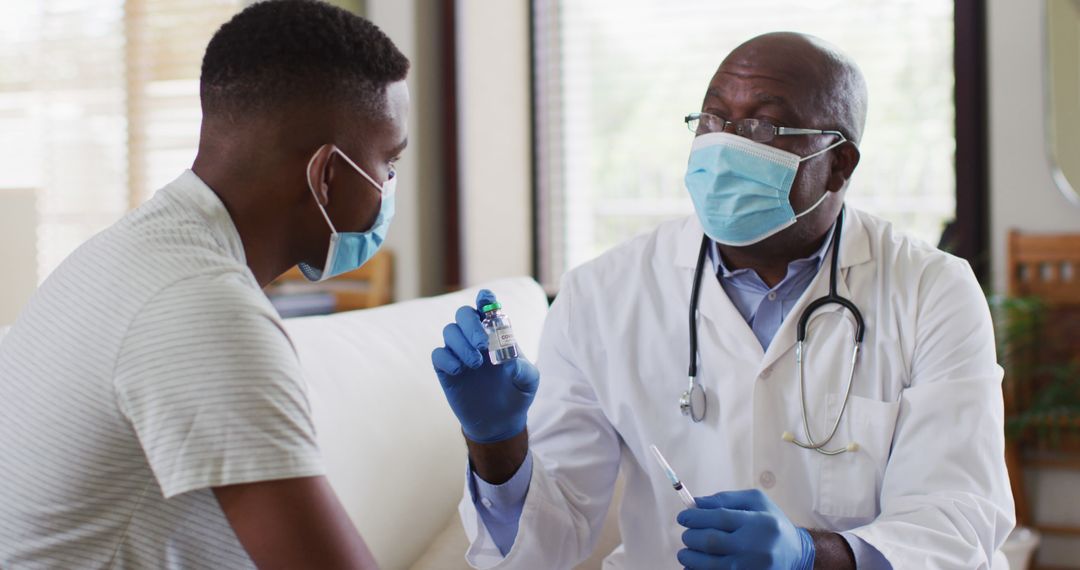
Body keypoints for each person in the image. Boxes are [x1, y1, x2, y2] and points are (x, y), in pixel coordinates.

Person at [432, 32, 1014, 569]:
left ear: (838, 164)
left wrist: (814, 557)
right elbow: (545, 546)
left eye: (762, 128)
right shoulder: (600, 294)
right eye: (712, 119)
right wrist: (496, 442)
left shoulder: (932, 290)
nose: (722, 147)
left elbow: (958, 518)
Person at [0, 1, 408, 567]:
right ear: (328, 175)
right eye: (388, 164)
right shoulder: (203, 307)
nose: (389, 187)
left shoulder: (128, 252)